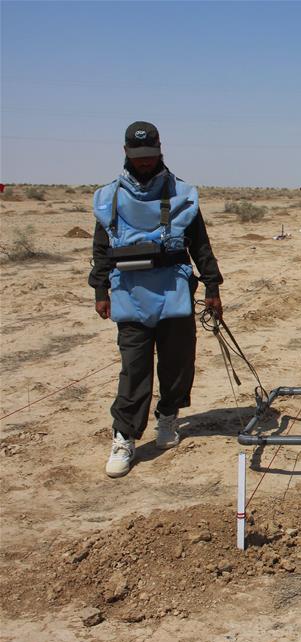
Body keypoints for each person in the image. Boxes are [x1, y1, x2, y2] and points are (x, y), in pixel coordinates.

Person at [89, 121, 224, 478]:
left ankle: (168, 417)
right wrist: (100, 290)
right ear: (125, 153)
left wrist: (212, 286)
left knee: (178, 364)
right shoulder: (109, 198)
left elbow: (200, 244)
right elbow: (101, 250)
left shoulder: (183, 194)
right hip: (128, 295)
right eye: (138, 156)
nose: (145, 162)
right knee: (134, 369)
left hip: (174, 291)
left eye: (150, 155)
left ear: (161, 150)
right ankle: (124, 437)